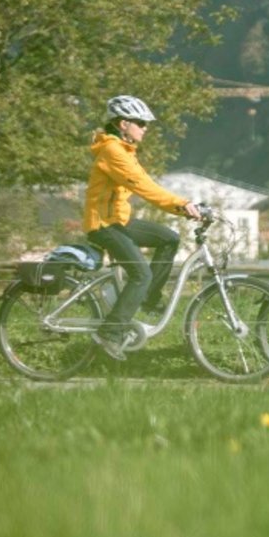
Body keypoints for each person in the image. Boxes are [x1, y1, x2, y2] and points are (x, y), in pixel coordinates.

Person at [84, 95, 206, 359]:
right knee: (141, 274)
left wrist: (183, 206)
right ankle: (110, 334)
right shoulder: (113, 151)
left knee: (169, 239)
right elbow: (143, 187)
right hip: (104, 224)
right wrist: (182, 204)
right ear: (124, 124)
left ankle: (148, 298)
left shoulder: (125, 149)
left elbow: (145, 181)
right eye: (141, 123)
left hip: (119, 221)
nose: (146, 128)